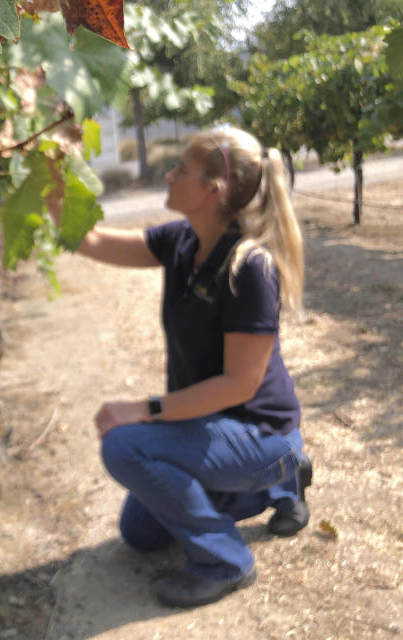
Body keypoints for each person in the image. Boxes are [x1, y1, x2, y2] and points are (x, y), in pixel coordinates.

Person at [77, 126, 313, 608]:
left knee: (125, 446)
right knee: (140, 533)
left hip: (259, 432)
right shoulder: (182, 241)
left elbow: (239, 384)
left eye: (181, 169)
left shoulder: (250, 267)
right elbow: (95, 241)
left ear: (213, 189)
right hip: (211, 427)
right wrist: (51, 188)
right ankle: (281, 485)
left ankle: (225, 561)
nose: (169, 174)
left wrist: (146, 408)